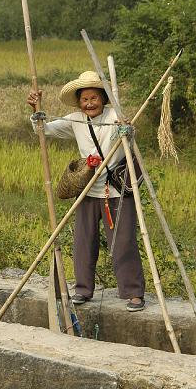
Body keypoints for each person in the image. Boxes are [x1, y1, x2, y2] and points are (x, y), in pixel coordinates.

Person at [27, 71, 145, 311]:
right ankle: (82, 290)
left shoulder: (116, 117)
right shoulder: (75, 119)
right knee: (83, 241)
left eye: (94, 98)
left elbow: (128, 137)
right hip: (88, 189)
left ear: (103, 98)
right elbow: (45, 129)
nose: (89, 103)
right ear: (79, 102)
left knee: (123, 242)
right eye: (85, 99)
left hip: (116, 191)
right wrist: (35, 110)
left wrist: (127, 131)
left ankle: (133, 293)